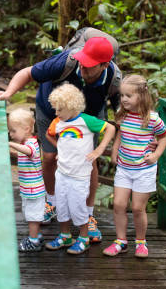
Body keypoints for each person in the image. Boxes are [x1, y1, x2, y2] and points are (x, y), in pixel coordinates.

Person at [0, 36, 121, 243]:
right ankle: (52, 202)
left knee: (89, 161)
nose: (83, 67)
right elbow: (27, 73)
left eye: (90, 65)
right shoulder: (66, 61)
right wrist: (9, 92)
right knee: (49, 156)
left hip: (87, 118)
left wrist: (141, 136)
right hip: (50, 113)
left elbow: (122, 113)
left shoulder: (114, 79)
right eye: (82, 61)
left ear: (104, 65)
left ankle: (88, 213)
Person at [43, 84, 116, 254]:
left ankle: (83, 238)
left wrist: (99, 150)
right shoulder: (57, 122)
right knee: (61, 206)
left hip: (80, 175)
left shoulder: (86, 120)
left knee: (78, 206)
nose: (56, 113)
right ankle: (65, 235)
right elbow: (48, 134)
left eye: (59, 109)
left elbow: (111, 128)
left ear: (71, 106)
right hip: (61, 173)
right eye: (55, 109)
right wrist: (59, 149)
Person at [103, 75, 166, 258]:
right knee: (118, 204)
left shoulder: (152, 119)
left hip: (144, 170)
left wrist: (156, 155)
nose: (123, 99)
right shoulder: (122, 114)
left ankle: (140, 242)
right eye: (122, 95)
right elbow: (120, 134)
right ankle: (121, 241)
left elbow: (164, 137)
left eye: (128, 96)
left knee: (138, 208)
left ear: (141, 96)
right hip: (124, 168)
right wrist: (114, 151)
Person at [7, 108, 45, 252]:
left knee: (32, 216)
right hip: (29, 189)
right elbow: (25, 155)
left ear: (27, 129)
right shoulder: (26, 143)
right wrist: (13, 152)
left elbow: (29, 152)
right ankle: (36, 236)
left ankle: (34, 241)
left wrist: (10, 144)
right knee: (31, 214)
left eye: (13, 131)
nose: (11, 135)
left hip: (33, 190)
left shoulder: (31, 144)